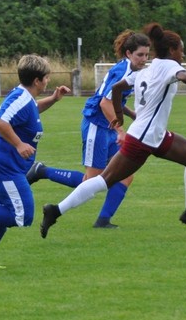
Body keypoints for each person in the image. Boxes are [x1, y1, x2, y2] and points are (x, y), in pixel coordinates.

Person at [40, 22, 186, 238]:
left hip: (154, 136)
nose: (183, 54)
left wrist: (119, 114)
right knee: (102, 181)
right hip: (143, 140)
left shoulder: (148, 69)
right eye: (181, 50)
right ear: (172, 50)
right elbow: (184, 76)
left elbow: (118, 88)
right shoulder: (168, 66)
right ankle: (55, 210)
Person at [0, 54, 71, 269]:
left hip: (2, 164)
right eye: (46, 78)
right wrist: (19, 144)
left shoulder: (26, 99)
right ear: (37, 80)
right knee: (22, 215)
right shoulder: (19, 98)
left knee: (2, 211)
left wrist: (54, 99)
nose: (48, 81)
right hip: (2, 165)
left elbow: (31, 111)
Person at [27, 29, 151, 228]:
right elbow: (104, 103)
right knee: (91, 182)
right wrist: (121, 131)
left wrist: (132, 115)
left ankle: (103, 220)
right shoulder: (123, 71)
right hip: (96, 125)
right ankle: (42, 171)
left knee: (125, 175)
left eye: (147, 55)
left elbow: (116, 101)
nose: (144, 59)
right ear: (128, 53)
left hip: (108, 126)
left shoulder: (132, 70)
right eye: (140, 55)